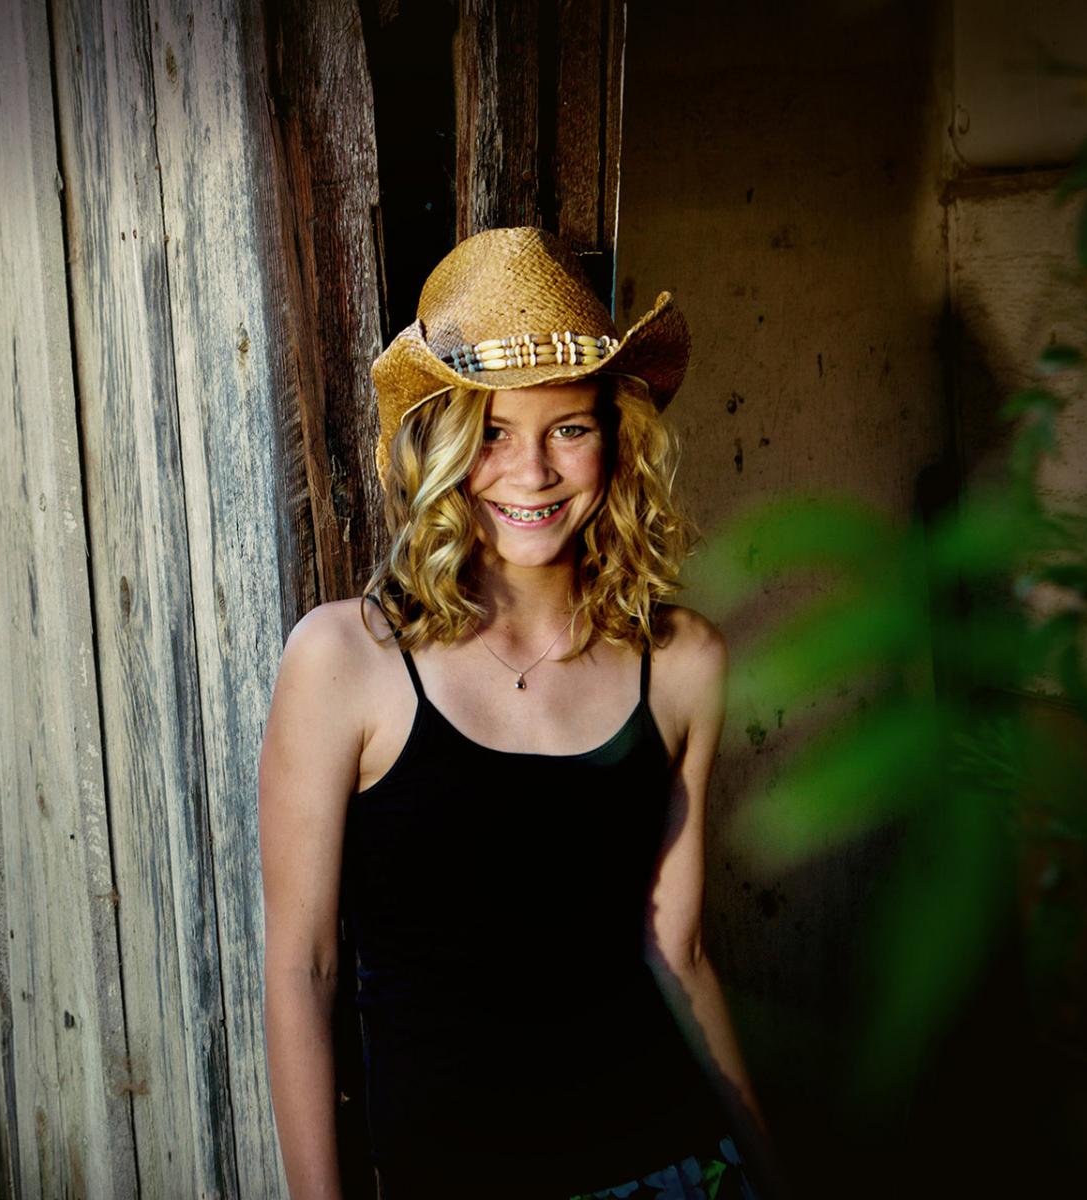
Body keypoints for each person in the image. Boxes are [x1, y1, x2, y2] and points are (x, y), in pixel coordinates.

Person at [259, 227, 781, 1198]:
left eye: (570, 428)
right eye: (492, 431)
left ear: (616, 441)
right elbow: (306, 967)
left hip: (667, 1165)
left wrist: (771, 1176)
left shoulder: (681, 663)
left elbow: (680, 950)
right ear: (443, 447)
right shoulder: (344, 662)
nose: (531, 472)